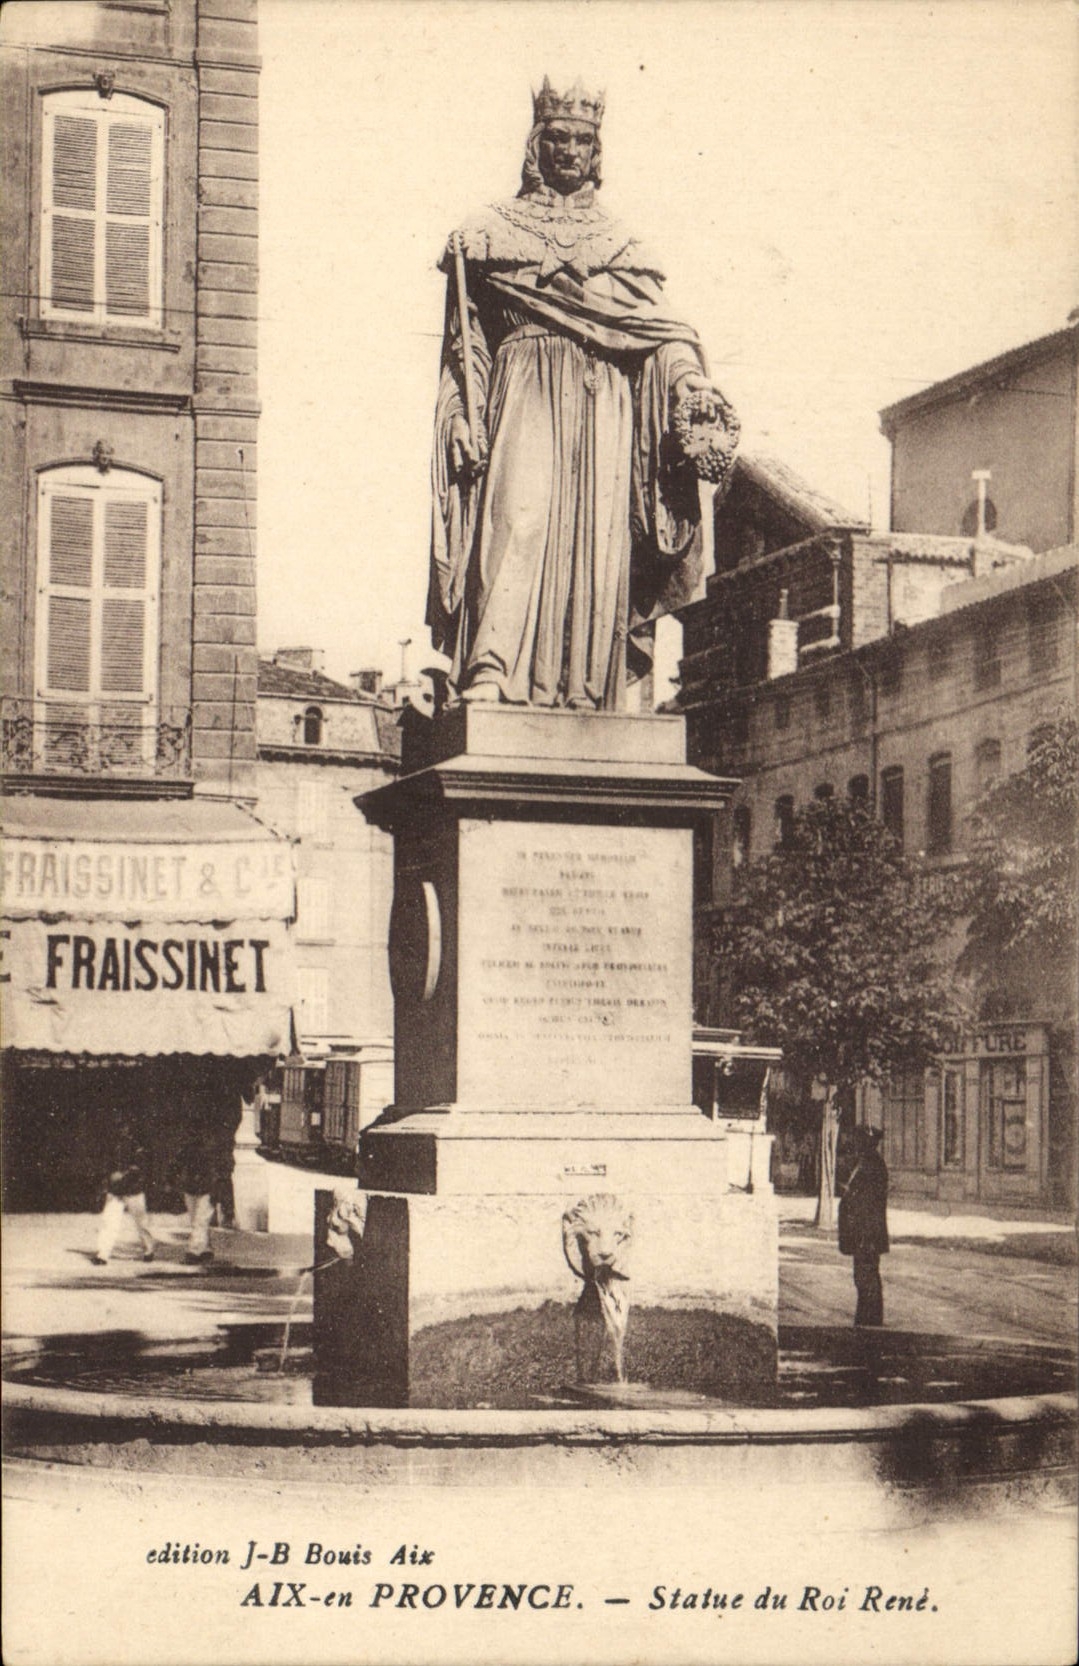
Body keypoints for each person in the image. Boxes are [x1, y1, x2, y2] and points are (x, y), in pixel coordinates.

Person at [428, 77, 738, 710]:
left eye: (583, 141)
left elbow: (662, 333)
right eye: (558, 138)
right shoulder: (486, 233)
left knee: (599, 545)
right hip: (521, 392)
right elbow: (466, 348)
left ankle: (586, 687)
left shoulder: (622, 245)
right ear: (536, 144)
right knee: (517, 521)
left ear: (598, 152)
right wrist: (462, 413)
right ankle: (491, 668)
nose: (570, 150)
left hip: (604, 405)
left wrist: (689, 384)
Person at [837, 1126, 889, 1327]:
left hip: (867, 1234)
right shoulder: (866, 1163)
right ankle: (866, 1319)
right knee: (863, 1276)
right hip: (864, 1233)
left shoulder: (873, 1165)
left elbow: (868, 1204)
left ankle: (870, 1321)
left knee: (866, 1277)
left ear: (868, 1143)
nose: (855, 1144)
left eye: (859, 1140)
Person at [93, 1146, 155, 1266]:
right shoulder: (111, 1145)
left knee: (141, 1223)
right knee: (109, 1223)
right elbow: (106, 1167)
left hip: (133, 1190)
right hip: (116, 1191)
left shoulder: (140, 1146)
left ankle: (149, 1249)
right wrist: (109, 1183)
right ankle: (102, 1254)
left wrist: (122, 1175)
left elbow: (141, 1168)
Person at [180, 1140, 215, 1266]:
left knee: (199, 1220)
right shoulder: (206, 1148)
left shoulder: (208, 1149)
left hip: (202, 1189)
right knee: (199, 1220)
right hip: (198, 1188)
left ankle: (194, 1251)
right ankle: (205, 1249)